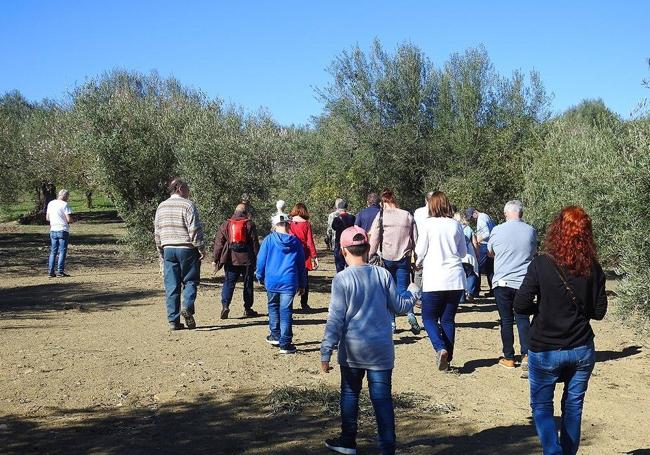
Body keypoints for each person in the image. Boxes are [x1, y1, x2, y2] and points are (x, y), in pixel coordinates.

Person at [514, 206, 607, 455]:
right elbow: (599, 312)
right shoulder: (594, 268)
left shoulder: (541, 263)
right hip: (581, 348)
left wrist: (543, 307)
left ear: (557, 231)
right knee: (574, 407)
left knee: (543, 407)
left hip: (545, 348)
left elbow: (520, 305)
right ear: (587, 234)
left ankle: (553, 452)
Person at [321, 226, 420, 455]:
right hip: (381, 350)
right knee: (382, 398)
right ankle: (387, 447)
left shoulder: (341, 279)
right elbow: (400, 306)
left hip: (353, 350)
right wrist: (413, 292)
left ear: (344, 251)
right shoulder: (382, 274)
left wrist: (326, 351)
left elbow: (335, 319)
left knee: (350, 393)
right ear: (368, 249)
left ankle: (348, 442)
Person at [416, 191, 467, 370]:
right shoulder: (456, 225)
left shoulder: (428, 224)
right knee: (448, 319)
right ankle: (448, 359)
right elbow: (462, 253)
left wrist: (417, 262)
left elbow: (420, 250)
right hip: (455, 278)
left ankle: (440, 348)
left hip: (434, 278)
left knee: (428, 317)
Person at [488, 200, 537, 374]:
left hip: (502, 281)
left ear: (506, 213)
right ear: (521, 213)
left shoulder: (497, 230)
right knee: (523, 317)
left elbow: (490, 252)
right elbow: (533, 251)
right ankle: (527, 355)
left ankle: (508, 357)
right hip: (524, 282)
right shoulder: (531, 230)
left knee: (506, 320)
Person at [154, 178, 205, 330]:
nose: (188, 190)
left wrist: (160, 250)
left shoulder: (161, 206)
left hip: (168, 248)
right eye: (187, 187)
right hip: (187, 248)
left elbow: (157, 231)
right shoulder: (188, 205)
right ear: (180, 188)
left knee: (171, 285)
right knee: (190, 280)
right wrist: (200, 247)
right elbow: (194, 229)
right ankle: (187, 307)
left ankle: (173, 321)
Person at [368, 189, 421, 335]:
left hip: (387, 258)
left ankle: (391, 323)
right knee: (403, 289)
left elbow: (374, 239)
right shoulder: (407, 215)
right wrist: (417, 259)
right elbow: (415, 239)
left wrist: (369, 256)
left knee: (388, 292)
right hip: (404, 258)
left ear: (382, 202)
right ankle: (410, 314)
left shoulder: (382, 216)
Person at [256, 213, 306, 354]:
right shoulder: (295, 242)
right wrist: (302, 283)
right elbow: (301, 265)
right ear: (288, 225)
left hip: (271, 280)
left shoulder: (269, 240)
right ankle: (285, 343)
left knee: (273, 306)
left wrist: (260, 275)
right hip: (289, 281)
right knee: (286, 311)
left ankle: (275, 335)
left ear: (274, 225)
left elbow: (261, 260)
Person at [212, 204, 261, 319]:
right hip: (247, 260)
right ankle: (247, 309)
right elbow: (255, 243)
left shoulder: (226, 224)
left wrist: (215, 259)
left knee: (229, 283)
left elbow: (219, 243)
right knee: (248, 284)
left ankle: (225, 305)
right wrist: (258, 259)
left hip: (231, 259)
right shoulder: (249, 224)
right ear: (246, 212)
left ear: (235, 211)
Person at [288, 203, 319, 310]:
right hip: (304, 253)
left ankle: (289, 303)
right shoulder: (306, 224)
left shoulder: (289, 223)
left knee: (291, 277)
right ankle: (304, 303)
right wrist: (314, 256)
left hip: (291, 253)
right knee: (304, 278)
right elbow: (310, 241)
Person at [466, 207, 496, 295]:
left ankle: (475, 290)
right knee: (490, 269)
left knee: (477, 266)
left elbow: (487, 233)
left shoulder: (481, 218)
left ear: (475, 212)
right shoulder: (486, 216)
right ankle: (493, 290)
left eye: (472, 217)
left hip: (484, 245)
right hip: (490, 245)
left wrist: (478, 240)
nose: (472, 219)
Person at [46, 189, 73, 278]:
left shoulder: (51, 203)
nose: (67, 199)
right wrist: (72, 220)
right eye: (67, 197)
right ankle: (60, 271)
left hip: (53, 229)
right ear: (65, 196)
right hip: (63, 229)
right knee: (62, 251)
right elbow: (69, 219)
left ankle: (51, 272)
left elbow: (47, 218)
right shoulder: (65, 204)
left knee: (53, 251)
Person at [453, 211, 480, 300]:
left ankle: (461, 298)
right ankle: (470, 292)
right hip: (469, 255)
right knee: (471, 274)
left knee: (460, 277)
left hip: (458, 255)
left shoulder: (454, 228)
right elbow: (475, 242)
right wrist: (477, 253)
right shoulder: (468, 228)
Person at [413, 192, 434, 288]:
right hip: (434, 245)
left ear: (425, 200)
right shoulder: (437, 212)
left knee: (419, 272)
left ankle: (417, 297)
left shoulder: (418, 212)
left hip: (420, 242)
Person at [331, 200, 356, 273]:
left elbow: (333, 228)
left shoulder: (336, 219)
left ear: (338, 209)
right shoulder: (352, 218)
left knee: (339, 266)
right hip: (350, 244)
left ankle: (341, 280)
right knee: (349, 264)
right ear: (346, 208)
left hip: (339, 244)